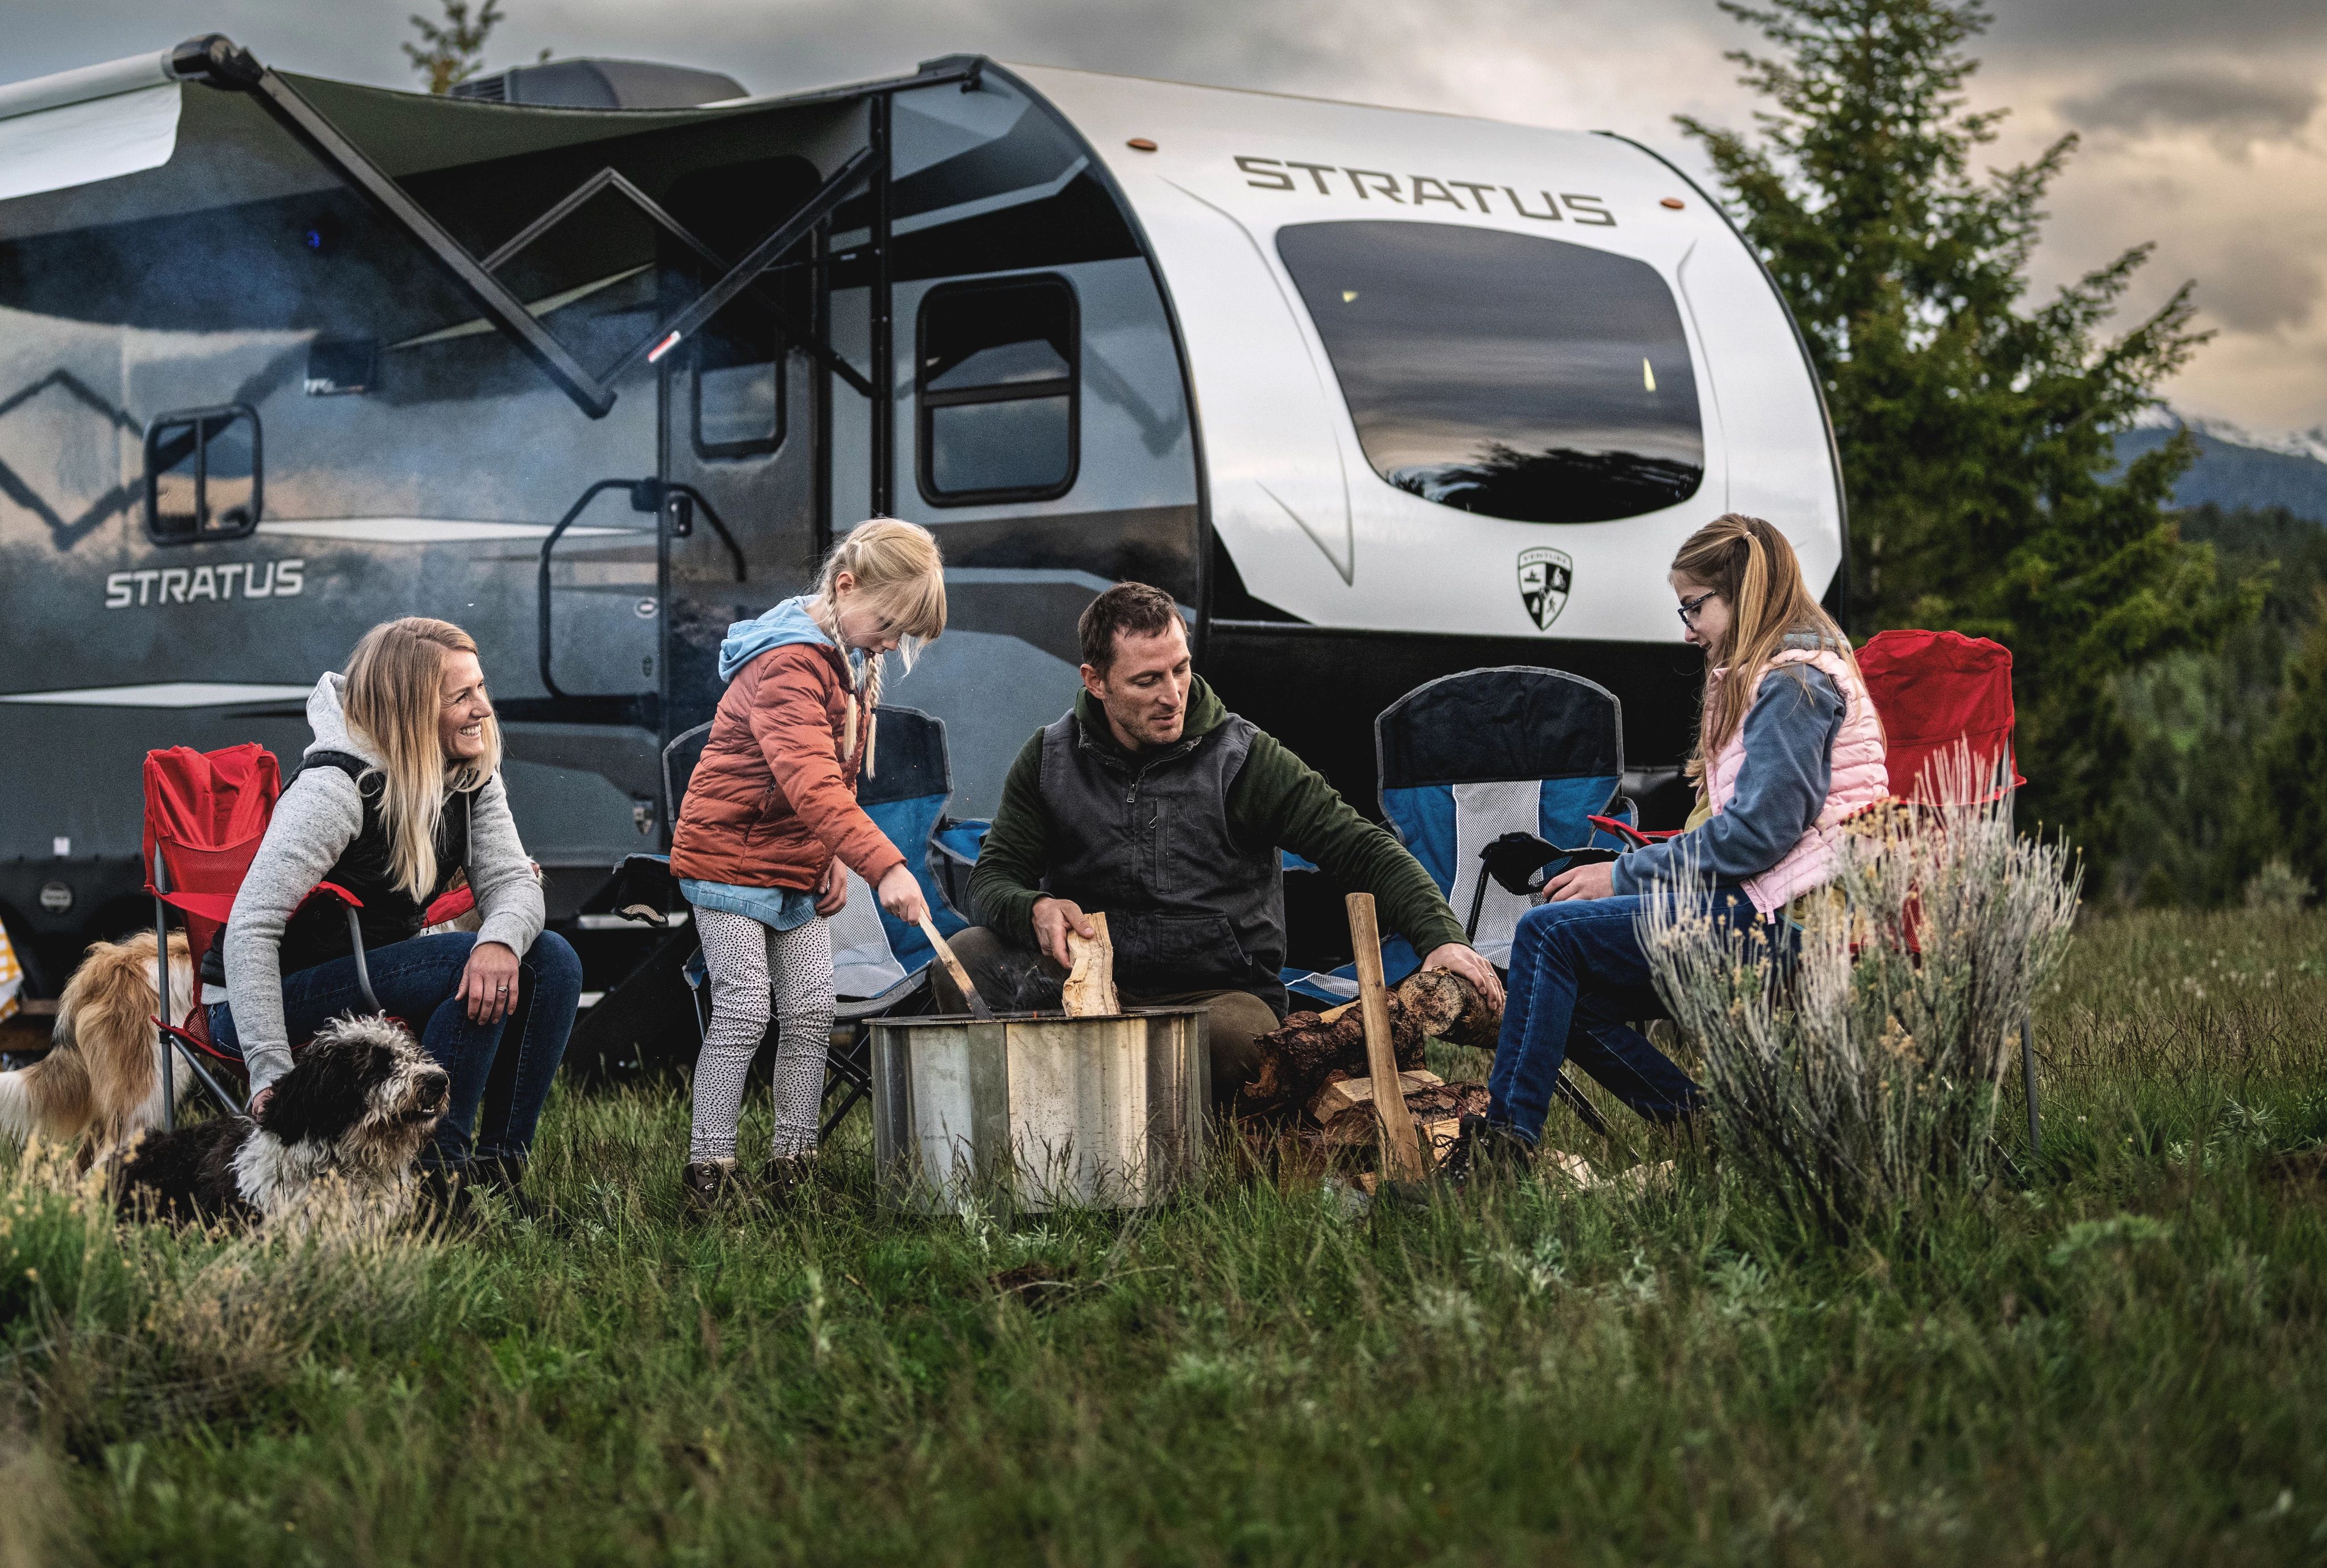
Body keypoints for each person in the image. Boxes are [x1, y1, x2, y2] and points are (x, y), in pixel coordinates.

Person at [940, 581, 1500, 1106]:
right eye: (1146, 680)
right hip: (1083, 988)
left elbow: (1363, 848)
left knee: (1243, 1044)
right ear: (1095, 680)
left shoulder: (1245, 758)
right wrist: (1034, 907)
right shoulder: (1048, 758)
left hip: (1210, 998)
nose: (1171, 695)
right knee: (962, 959)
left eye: (1180, 669)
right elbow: (989, 884)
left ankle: (1190, 1131)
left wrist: (1441, 937)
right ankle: (1022, 1119)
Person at [1462, 512, 1887, 1167]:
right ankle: (1708, 1129)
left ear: (1742, 594)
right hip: (1763, 907)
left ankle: (1502, 1154)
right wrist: (1624, 867)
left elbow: (1757, 836)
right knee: (1557, 977)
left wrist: (1621, 877)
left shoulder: (1792, 684)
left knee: (1547, 935)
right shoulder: (1771, 675)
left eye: (1694, 608)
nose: (1687, 630)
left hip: (1800, 924)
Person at [207, 617, 582, 1211]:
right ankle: (440, 1179)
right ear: (409, 707)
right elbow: (252, 926)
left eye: (480, 688)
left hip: (370, 975)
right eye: (462, 695)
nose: (484, 708)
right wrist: (270, 1071)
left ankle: (500, 1171)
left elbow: (513, 879)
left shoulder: (467, 774)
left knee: (552, 958)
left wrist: (501, 941)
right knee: (465, 962)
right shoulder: (335, 785)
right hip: (262, 1000)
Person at [670, 518, 949, 1209]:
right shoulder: (789, 662)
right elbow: (810, 782)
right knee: (743, 1008)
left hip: (790, 861)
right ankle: (710, 1170)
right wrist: (883, 867)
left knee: (811, 1009)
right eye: (888, 623)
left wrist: (830, 855)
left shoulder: (841, 660)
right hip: (726, 860)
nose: (889, 641)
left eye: (901, 634)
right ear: (845, 587)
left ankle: (793, 1166)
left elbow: (834, 775)